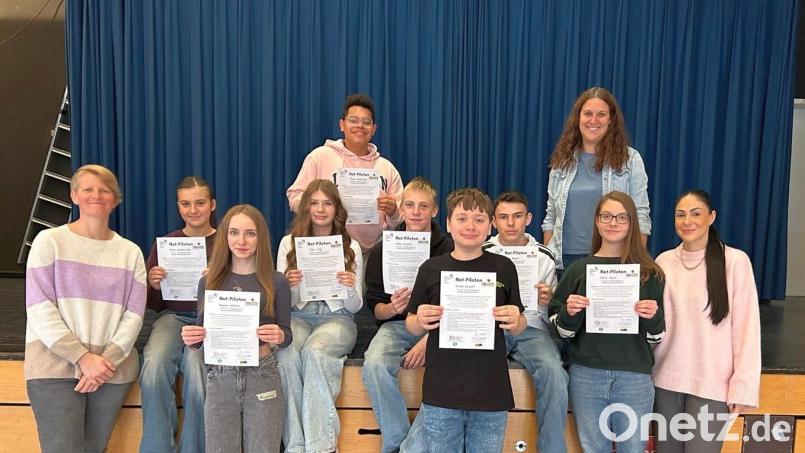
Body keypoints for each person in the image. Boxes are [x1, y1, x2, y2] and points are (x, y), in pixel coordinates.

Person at [24, 164, 146, 453]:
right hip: (55, 367)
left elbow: (134, 315)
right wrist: (82, 358)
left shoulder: (130, 252)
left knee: (95, 449)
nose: (97, 195)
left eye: (105, 190)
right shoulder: (49, 241)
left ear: (115, 199)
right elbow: (40, 306)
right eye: (88, 189)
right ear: (74, 195)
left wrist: (101, 363)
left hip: (110, 370)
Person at [406, 188, 527, 453]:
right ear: (448, 224)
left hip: (490, 391)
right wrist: (421, 320)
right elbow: (411, 322)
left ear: (490, 226)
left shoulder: (504, 267)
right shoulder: (431, 268)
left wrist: (515, 320)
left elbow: (520, 323)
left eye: (479, 219)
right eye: (462, 219)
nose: (470, 226)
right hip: (442, 391)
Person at [549, 191, 664, 453]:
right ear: (597, 222)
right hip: (587, 374)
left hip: (634, 376)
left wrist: (652, 318)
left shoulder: (650, 273)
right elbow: (560, 331)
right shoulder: (578, 271)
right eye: (607, 216)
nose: (613, 223)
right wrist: (571, 312)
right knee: (593, 449)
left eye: (622, 218)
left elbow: (657, 337)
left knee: (633, 449)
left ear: (632, 223)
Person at [652, 190, 760, 452]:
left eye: (695, 213)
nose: (687, 221)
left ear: (712, 217)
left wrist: (742, 387)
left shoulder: (735, 261)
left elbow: (746, 330)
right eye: (680, 215)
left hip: (712, 385)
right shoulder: (663, 262)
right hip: (665, 382)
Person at [180, 204, 292, 452]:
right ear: (225, 236)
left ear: (260, 237)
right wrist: (191, 337)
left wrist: (279, 335)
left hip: (262, 374)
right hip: (221, 376)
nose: (241, 240)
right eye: (234, 232)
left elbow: (287, 335)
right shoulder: (208, 281)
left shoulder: (277, 281)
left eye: (250, 233)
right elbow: (200, 337)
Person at [362, 177, 454, 453]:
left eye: (423, 206)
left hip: (439, 328)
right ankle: (397, 442)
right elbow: (376, 307)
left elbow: (458, 303)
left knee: (454, 369)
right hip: (396, 324)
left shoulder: (449, 247)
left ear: (435, 211)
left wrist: (429, 339)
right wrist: (394, 308)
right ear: (401, 208)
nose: (416, 212)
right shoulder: (382, 248)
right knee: (374, 364)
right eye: (410, 205)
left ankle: (411, 448)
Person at [276, 179, 364, 453]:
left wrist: (349, 287)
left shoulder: (351, 246)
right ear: (305, 207)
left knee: (315, 352)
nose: (320, 209)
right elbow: (283, 305)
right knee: (285, 355)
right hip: (299, 316)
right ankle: (295, 445)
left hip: (337, 318)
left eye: (327, 203)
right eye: (314, 202)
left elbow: (356, 306)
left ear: (336, 207)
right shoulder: (288, 244)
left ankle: (321, 447)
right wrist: (288, 285)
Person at [482, 191, 568, 453]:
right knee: (466, 369)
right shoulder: (482, 250)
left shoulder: (544, 256)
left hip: (530, 328)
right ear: (494, 222)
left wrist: (547, 300)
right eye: (504, 217)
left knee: (554, 372)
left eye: (517, 216)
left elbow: (551, 314)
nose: (511, 223)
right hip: (490, 328)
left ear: (528, 219)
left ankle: (552, 449)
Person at [140, 176, 217, 453]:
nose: (193, 210)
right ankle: (157, 447)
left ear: (212, 205)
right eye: (186, 204)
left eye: (199, 203)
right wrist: (153, 283)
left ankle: (194, 449)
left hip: (210, 321)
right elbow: (154, 304)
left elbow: (245, 290)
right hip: (173, 317)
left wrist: (218, 281)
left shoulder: (227, 242)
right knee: (154, 364)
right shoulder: (166, 244)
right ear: (178, 206)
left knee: (197, 371)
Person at [542, 87, 651, 273]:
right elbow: (551, 215)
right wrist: (549, 261)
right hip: (564, 261)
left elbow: (640, 213)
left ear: (611, 120)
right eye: (588, 114)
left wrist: (633, 262)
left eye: (601, 114)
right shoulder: (561, 161)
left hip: (613, 260)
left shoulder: (630, 160)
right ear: (578, 118)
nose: (593, 120)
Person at [286, 93, 404, 252]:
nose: (360, 126)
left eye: (366, 122)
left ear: (374, 129)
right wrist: (316, 206)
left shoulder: (387, 169)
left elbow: (401, 218)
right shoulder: (320, 157)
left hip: (373, 252)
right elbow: (294, 195)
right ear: (342, 124)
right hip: (326, 248)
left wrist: (393, 211)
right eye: (353, 120)